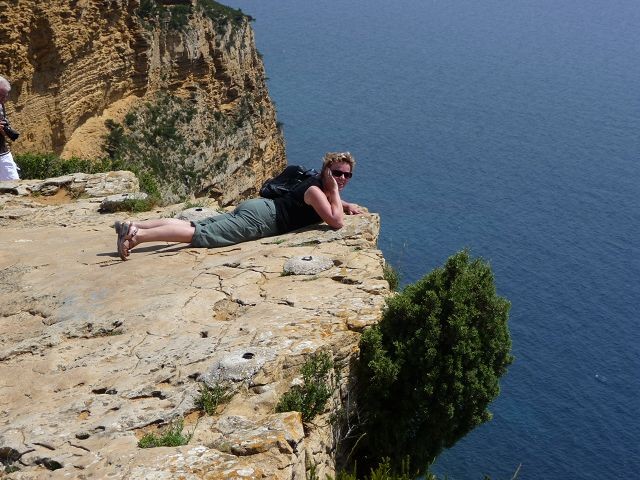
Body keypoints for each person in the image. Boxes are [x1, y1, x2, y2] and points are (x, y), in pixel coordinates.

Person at [115, 152, 362, 260]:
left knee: (194, 224)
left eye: (347, 175)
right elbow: (335, 222)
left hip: (259, 208)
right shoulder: (317, 190)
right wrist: (334, 192)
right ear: (326, 171)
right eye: (337, 173)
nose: (342, 178)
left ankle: (135, 224)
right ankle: (137, 237)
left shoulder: (316, 185)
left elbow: (329, 205)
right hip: (262, 220)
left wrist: (345, 203)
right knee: (199, 234)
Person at [0, 75, 20, 181]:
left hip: (2, 153)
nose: (4, 100)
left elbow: (4, 122)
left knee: (14, 182)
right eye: (1, 96)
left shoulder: (0, 105)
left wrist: (5, 130)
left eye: (5, 96)